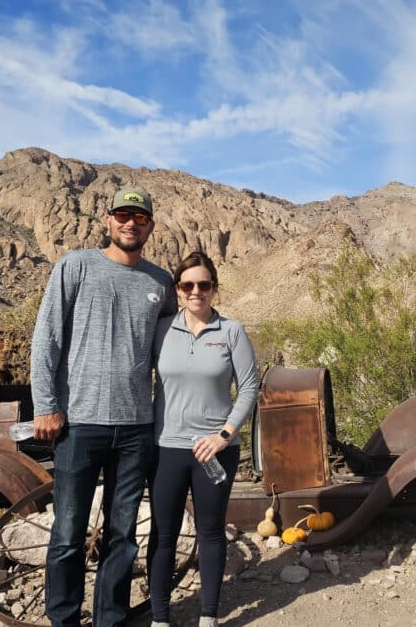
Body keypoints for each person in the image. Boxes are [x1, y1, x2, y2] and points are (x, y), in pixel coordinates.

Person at [31, 187, 177, 627]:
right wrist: (46, 406)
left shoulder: (161, 282)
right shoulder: (76, 266)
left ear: (150, 226)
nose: (131, 222)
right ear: (107, 221)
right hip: (78, 423)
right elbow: (46, 339)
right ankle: (64, 619)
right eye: (122, 215)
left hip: (136, 427)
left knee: (123, 534)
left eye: (140, 217)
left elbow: (174, 347)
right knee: (68, 534)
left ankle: (110, 620)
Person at [148, 251, 260, 627]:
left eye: (204, 285)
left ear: (214, 288)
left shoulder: (231, 332)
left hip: (215, 451)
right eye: (188, 285)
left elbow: (249, 387)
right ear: (178, 290)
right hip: (167, 448)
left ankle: (208, 617)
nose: (196, 291)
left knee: (210, 531)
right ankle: (160, 618)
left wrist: (224, 435)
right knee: (163, 534)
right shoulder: (162, 330)